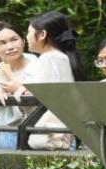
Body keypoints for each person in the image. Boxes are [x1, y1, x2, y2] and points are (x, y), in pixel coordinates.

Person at [25, 11, 83, 150]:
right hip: (64, 132)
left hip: (53, 135)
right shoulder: (61, 57)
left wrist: (16, 87)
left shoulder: (49, 58)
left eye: (28, 32)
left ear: (42, 35)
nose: (26, 37)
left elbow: (36, 95)